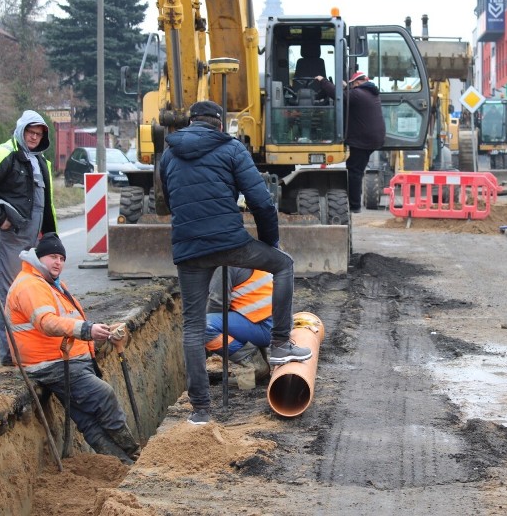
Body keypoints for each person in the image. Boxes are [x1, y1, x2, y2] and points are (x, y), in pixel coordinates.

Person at [159, 100, 312, 425]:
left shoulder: (169, 153)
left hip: (188, 249)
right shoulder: (230, 148)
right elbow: (260, 200)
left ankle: (200, 410)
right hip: (229, 241)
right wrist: (269, 242)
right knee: (283, 265)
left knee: (193, 326)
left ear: (191, 121)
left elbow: (168, 201)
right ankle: (281, 344)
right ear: (219, 123)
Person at [5, 233, 141, 464]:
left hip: (64, 358)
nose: (58, 262)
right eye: (52, 257)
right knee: (103, 395)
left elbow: (67, 319)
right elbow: (47, 323)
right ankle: (131, 450)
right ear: (38, 258)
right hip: (52, 363)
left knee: (87, 419)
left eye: (61, 257)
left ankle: (123, 464)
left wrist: (96, 334)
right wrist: (87, 330)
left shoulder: (50, 283)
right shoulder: (31, 285)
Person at [0, 110, 58, 366]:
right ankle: (12, 355)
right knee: (9, 295)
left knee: (33, 292)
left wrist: (49, 234)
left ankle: (30, 350)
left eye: (38, 134)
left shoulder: (41, 161)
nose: (33, 137)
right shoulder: (4, 154)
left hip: (33, 238)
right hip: (9, 237)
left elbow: (46, 203)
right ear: (21, 130)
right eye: (30, 132)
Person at [316, 71, 386, 213]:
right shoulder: (371, 93)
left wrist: (323, 81)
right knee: (357, 170)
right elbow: (350, 96)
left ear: (357, 83)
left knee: (354, 171)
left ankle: (354, 206)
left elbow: (338, 96)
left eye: (352, 85)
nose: (352, 87)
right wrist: (346, 87)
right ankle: (354, 203)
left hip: (363, 140)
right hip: (373, 138)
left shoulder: (358, 94)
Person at [204, 267, 272, 386]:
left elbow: (218, 304)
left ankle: (256, 366)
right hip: (275, 324)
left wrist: (205, 342)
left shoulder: (224, 266)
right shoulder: (245, 255)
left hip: (266, 328)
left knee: (200, 327)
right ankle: (261, 367)